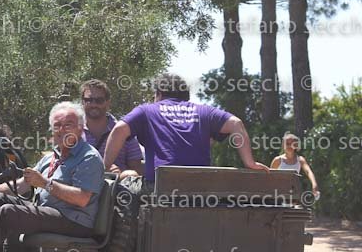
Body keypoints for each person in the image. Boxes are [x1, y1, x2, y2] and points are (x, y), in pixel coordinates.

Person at [103, 73, 269, 182]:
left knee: (126, 183)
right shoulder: (204, 111)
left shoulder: (147, 110)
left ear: (159, 94)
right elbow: (236, 124)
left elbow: (119, 130)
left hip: (159, 189)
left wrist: (104, 167)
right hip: (200, 191)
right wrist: (249, 162)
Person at [0, 101, 104, 242]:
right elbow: (22, 184)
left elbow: (82, 199)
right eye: (57, 126)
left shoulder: (89, 157)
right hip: (47, 211)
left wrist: (45, 184)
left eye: (68, 125)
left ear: (80, 128)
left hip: (74, 220)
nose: (62, 130)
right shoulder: (50, 157)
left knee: (8, 212)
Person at [80, 79, 144, 176]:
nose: (94, 104)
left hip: (115, 184)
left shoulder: (123, 131)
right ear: (82, 102)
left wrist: (120, 174)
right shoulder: (74, 131)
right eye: (88, 100)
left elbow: (137, 171)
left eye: (99, 100)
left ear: (108, 102)